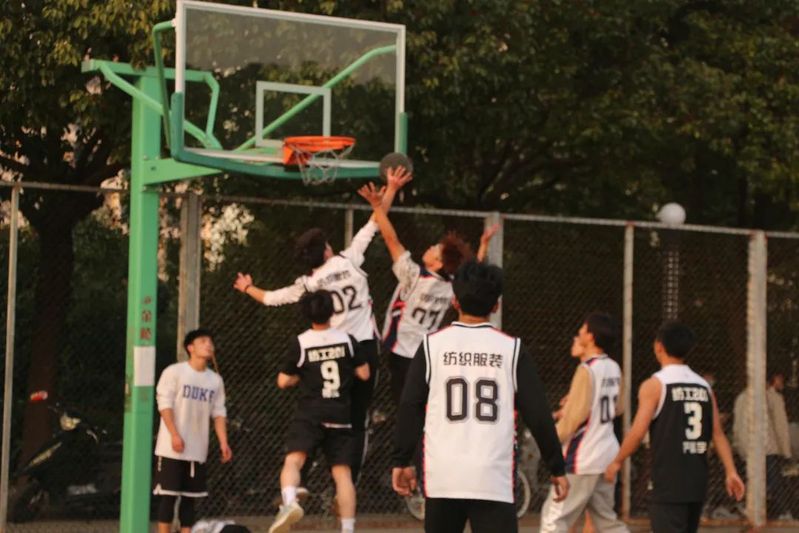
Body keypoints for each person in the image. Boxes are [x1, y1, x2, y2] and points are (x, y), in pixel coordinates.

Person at [233, 167, 411, 482]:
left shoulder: (309, 282)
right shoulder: (349, 259)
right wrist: (392, 188)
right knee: (357, 419)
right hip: (363, 348)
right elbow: (376, 221)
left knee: (321, 414)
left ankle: (305, 475)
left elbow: (272, 298)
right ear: (327, 249)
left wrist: (247, 288)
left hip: (334, 351)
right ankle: (347, 480)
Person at [391, 260, 569, 533]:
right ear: (496, 305)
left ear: (454, 302)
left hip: (444, 477)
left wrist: (401, 460)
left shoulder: (431, 346)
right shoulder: (511, 350)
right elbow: (539, 415)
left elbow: (410, 406)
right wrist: (556, 467)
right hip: (492, 478)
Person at [357, 181, 499, 403]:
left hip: (401, 351)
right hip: (426, 353)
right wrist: (483, 246)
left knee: (405, 406)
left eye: (435, 249)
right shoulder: (451, 286)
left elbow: (391, 240)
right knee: (422, 405)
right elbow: (474, 277)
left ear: (438, 263)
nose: (430, 248)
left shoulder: (413, 276)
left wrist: (377, 206)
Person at [604, 321, 745, 533]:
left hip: (668, 481)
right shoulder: (704, 386)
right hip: (696, 481)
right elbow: (718, 434)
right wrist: (731, 471)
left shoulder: (655, 385)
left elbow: (638, 432)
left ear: (658, 346)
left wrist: (617, 461)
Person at [269, 290, 370, 533]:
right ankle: (348, 528)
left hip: (310, 413)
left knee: (294, 460)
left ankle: (290, 502)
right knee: (342, 474)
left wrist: (300, 377)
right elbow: (364, 373)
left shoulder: (302, 342)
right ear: (332, 311)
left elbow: (282, 381)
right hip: (340, 412)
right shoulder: (347, 340)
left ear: (306, 314)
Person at [540, 313, 627, 532]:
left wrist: (549, 441)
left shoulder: (586, 369)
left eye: (582, 329)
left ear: (591, 336)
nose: (578, 332)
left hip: (583, 457)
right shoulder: (614, 367)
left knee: (553, 519)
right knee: (607, 521)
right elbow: (619, 407)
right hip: (606, 452)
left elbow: (574, 419)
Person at [153, 329, 232, 533]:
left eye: (210, 341)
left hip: (197, 450)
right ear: (190, 348)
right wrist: (174, 434)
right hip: (172, 449)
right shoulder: (174, 372)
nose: (209, 345)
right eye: (203, 341)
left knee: (190, 500)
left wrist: (223, 442)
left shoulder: (215, 380)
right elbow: (164, 405)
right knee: (168, 498)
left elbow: (219, 413)